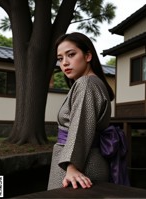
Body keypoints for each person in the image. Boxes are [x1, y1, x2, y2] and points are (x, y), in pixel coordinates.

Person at [47, 32, 115, 190]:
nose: (64, 63)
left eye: (71, 55)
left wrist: (72, 167)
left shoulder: (86, 84)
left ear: (88, 56)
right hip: (82, 160)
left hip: (78, 167)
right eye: (60, 58)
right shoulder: (90, 83)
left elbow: (81, 126)